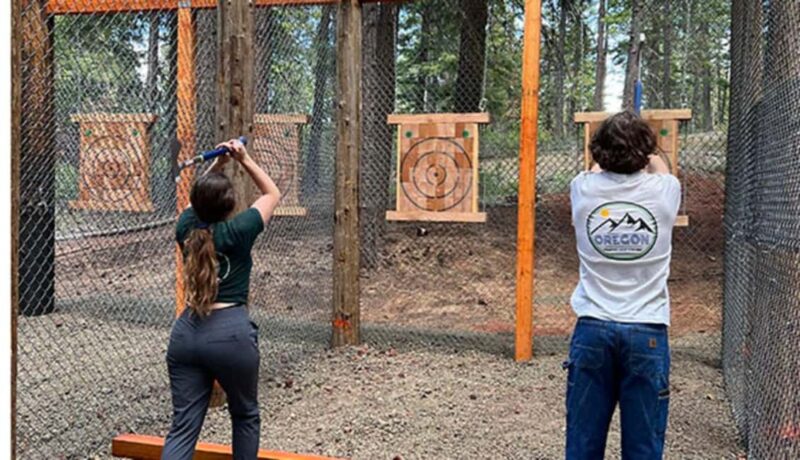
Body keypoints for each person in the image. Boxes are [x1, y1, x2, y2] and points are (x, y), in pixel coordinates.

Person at [565, 111, 680, 459]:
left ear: (599, 152)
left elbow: (595, 170)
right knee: (643, 447)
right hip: (647, 330)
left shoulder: (582, 189)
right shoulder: (665, 192)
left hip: (593, 330)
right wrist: (648, 151)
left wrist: (611, 152)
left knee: (583, 443)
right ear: (644, 154)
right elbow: (662, 167)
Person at [162, 138, 281, 460]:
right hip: (230, 334)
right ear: (230, 208)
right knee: (244, 414)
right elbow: (272, 194)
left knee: (183, 426)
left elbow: (198, 202)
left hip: (186, 333)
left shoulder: (186, 228)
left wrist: (218, 164)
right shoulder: (239, 230)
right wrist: (244, 159)